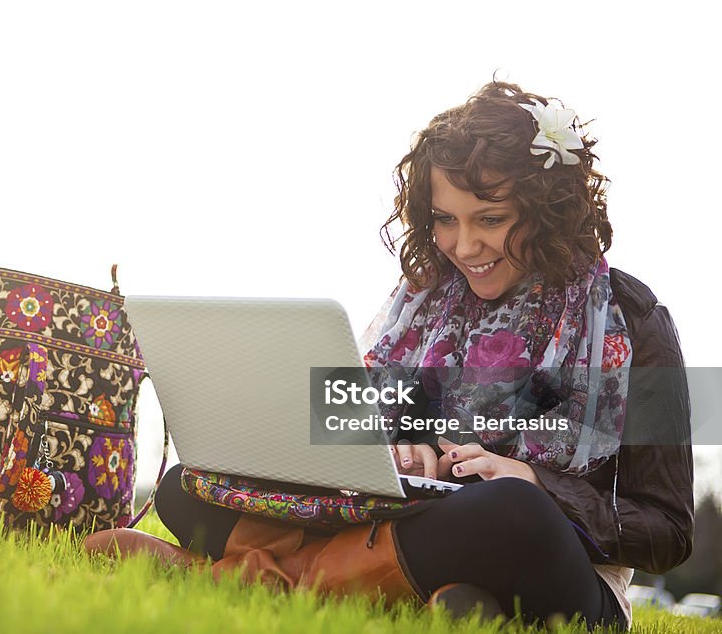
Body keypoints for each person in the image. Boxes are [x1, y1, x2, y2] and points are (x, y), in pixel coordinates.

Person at [84, 81, 694, 631]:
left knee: (512, 510)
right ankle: (430, 600)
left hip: (543, 554)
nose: (464, 245)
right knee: (188, 486)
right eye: (445, 221)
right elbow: (351, 434)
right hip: (409, 527)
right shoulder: (424, 304)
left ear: (548, 209)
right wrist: (391, 448)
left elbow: (668, 531)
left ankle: (255, 576)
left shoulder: (634, 322)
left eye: (491, 219)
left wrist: (536, 479)